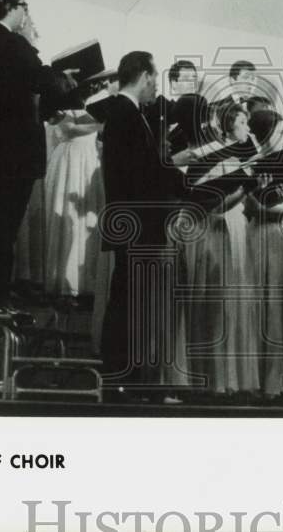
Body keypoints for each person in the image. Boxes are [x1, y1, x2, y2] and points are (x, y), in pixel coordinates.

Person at [0, 0, 74, 308]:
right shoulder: (14, 45)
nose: (27, 13)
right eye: (24, 6)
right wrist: (63, 78)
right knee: (3, 226)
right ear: (12, 8)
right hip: (13, 153)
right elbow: (44, 82)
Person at [100, 51, 187, 398]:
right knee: (129, 303)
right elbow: (140, 174)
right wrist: (178, 173)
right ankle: (122, 378)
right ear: (146, 76)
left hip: (133, 224)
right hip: (137, 224)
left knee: (131, 301)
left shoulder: (127, 114)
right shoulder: (125, 114)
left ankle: (126, 377)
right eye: (154, 78)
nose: (155, 88)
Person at [185, 102, 261, 397]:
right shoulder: (213, 156)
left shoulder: (245, 158)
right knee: (216, 304)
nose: (248, 129)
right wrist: (245, 187)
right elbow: (212, 204)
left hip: (237, 228)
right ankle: (213, 379)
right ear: (230, 126)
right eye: (243, 123)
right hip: (216, 229)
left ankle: (235, 378)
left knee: (237, 304)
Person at [243, 109, 283, 400]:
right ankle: (259, 380)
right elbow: (251, 206)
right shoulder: (252, 164)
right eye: (277, 130)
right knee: (262, 304)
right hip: (263, 236)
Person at [42, 77, 108, 297]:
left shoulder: (93, 108)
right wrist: (100, 121)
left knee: (85, 219)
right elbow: (68, 129)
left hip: (88, 162)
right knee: (65, 214)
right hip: (69, 162)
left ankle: (84, 283)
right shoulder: (59, 110)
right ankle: (61, 280)